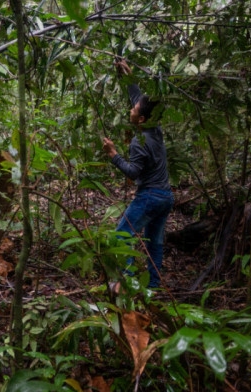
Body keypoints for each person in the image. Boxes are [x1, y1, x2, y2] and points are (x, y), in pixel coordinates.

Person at [102, 60, 173, 290]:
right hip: (165, 197)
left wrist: (113, 154)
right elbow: (138, 100)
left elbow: (133, 172)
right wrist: (129, 78)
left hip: (150, 196)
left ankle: (126, 283)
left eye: (133, 110)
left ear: (141, 119)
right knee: (155, 242)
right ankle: (153, 286)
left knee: (122, 235)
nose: (131, 109)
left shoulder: (138, 142)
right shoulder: (155, 129)